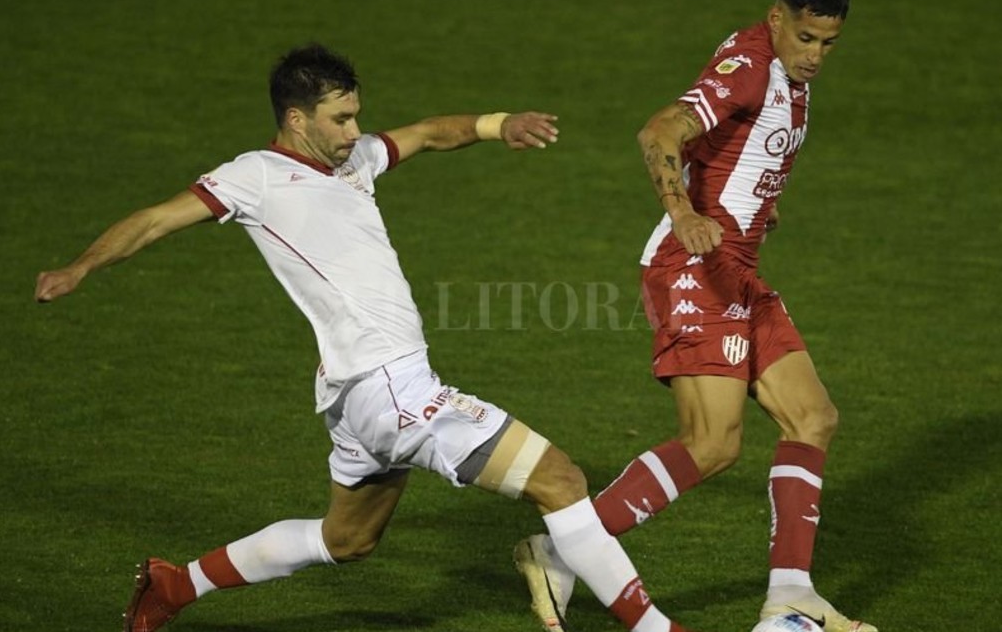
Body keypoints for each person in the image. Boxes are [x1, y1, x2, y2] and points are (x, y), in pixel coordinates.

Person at [35, 44, 698, 632]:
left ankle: (174, 584)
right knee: (560, 478)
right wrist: (79, 267)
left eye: (356, 116)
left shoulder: (353, 161)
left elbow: (432, 135)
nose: (355, 131)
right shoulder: (256, 178)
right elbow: (153, 220)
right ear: (298, 120)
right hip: (392, 388)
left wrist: (502, 125)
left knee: (345, 539)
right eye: (340, 119)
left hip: (356, 396)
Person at [512, 0, 878, 632]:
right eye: (806, 36)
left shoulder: (790, 76)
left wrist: (762, 207)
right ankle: (562, 550)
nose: (817, 52)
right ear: (777, 19)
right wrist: (682, 212)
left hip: (737, 267)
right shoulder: (750, 66)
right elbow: (658, 132)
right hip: (694, 266)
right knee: (712, 441)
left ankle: (790, 600)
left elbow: (739, 154)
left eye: (829, 42)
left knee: (813, 416)